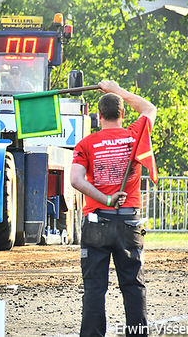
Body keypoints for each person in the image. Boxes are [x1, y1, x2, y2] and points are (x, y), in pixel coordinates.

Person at [71, 80, 156, 337]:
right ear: (122, 114)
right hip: (130, 222)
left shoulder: (86, 143)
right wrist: (116, 90)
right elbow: (149, 107)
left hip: (97, 221)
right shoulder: (135, 135)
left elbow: (76, 180)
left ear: (98, 116)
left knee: (95, 288)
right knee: (132, 286)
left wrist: (106, 200)